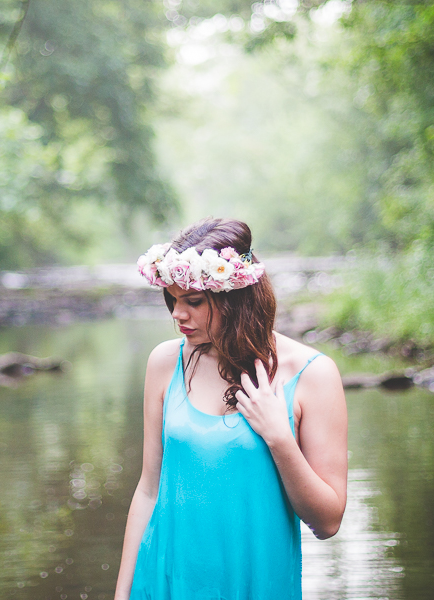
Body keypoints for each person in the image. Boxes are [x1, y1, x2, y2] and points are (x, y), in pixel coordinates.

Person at [114, 218, 348, 600]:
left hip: (255, 584)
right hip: (164, 583)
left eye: (193, 301)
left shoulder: (313, 375)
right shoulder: (164, 363)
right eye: (173, 299)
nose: (177, 314)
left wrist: (278, 437)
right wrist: (121, 595)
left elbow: (328, 522)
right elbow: (148, 491)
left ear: (235, 298)